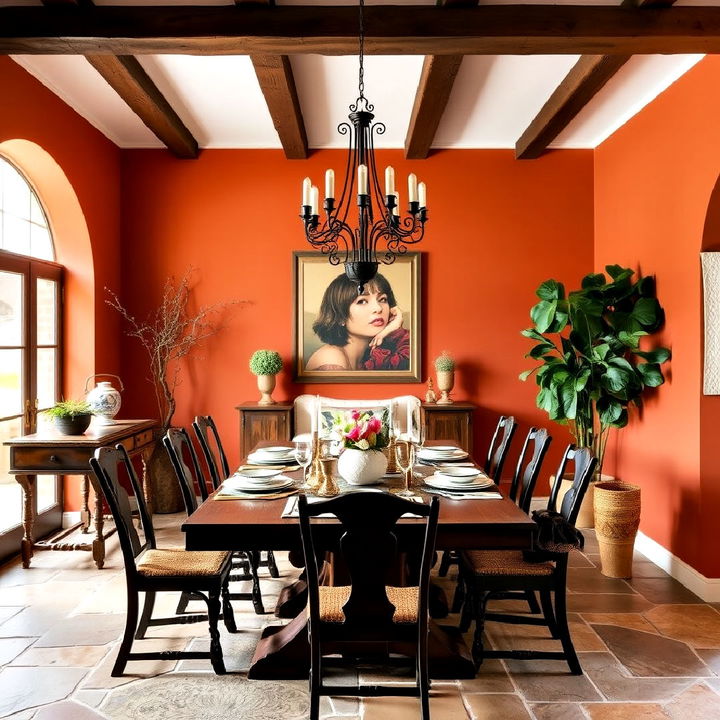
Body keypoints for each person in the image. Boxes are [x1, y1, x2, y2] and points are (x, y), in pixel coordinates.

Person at [306, 273, 410, 371]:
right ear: (340, 317)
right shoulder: (330, 358)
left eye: (382, 299)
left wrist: (394, 328)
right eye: (362, 301)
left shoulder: (370, 356)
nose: (378, 308)